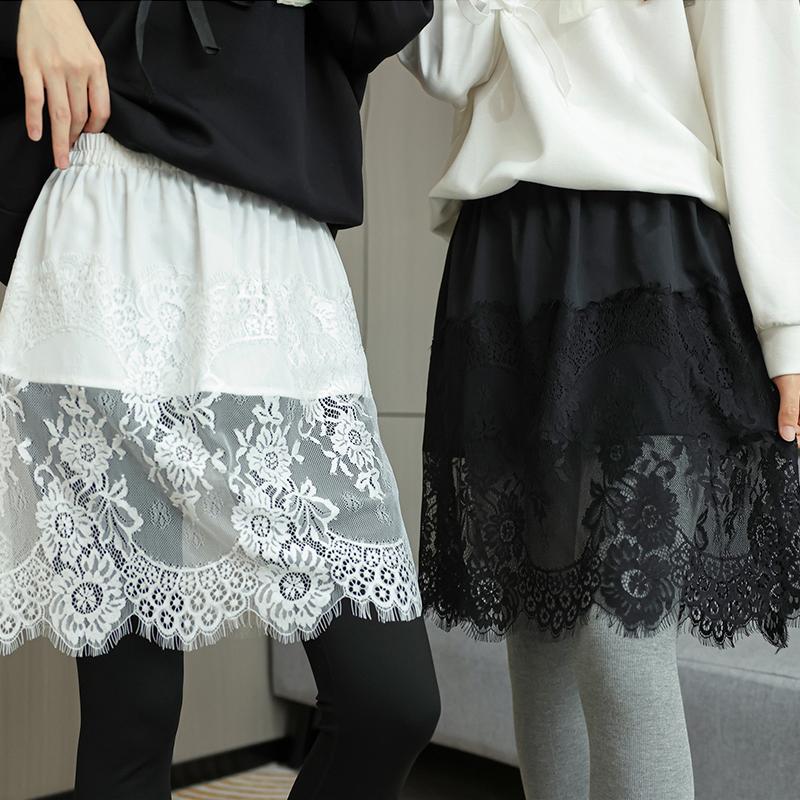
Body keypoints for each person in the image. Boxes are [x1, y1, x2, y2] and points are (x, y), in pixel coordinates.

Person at [0, 2, 440, 799]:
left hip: (279, 248)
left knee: (392, 702)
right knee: (131, 716)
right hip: (109, 208)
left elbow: (382, 21)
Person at [400, 1, 800, 798]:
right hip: (506, 246)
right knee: (537, 633)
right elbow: (446, 58)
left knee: (621, 639)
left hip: (647, 242)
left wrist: (786, 323)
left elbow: (756, 72)